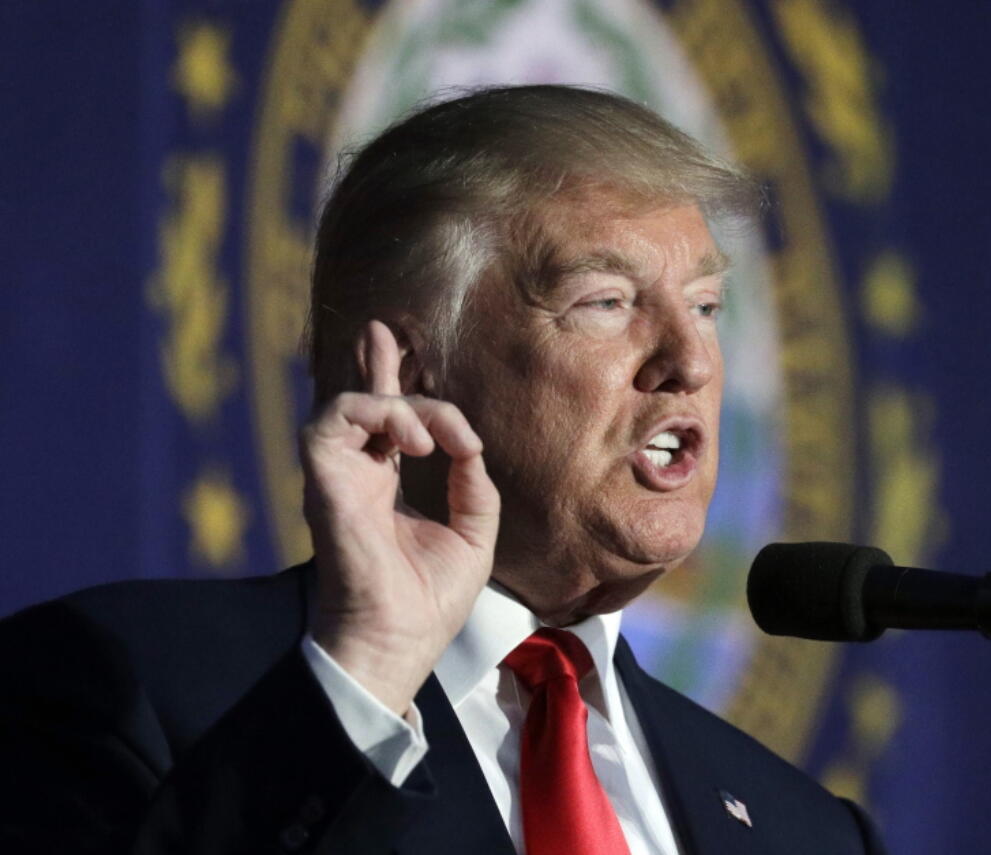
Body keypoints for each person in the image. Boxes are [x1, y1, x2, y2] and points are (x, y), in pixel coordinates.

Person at [0, 85, 885, 854]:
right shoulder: (120, 685)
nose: (689, 360)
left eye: (705, 305)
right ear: (413, 371)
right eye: (606, 302)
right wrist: (371, 668)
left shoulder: (806, 829)